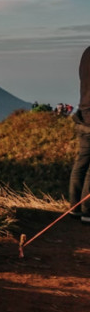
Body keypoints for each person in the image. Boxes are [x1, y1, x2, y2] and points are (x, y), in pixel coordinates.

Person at [68, 46, 90, 222]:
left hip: (83, 115)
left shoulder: (86, 53)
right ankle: (87, 212)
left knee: (81, 163)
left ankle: (75, 208)